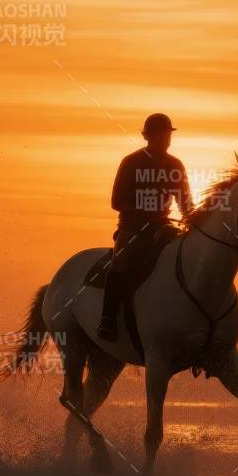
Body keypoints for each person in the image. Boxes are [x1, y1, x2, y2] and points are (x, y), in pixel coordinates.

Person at [98, 113, 193, 342]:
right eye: (161, 134)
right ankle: (107, 319)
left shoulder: (176, 165)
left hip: (163, 226)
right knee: (121, 259)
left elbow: (186, 203)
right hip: (133, 226)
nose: (166, 139)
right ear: (148, 136)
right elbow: (116, 201)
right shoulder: (131, 162)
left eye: (168, 134)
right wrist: (144, 212)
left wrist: (194, 220)